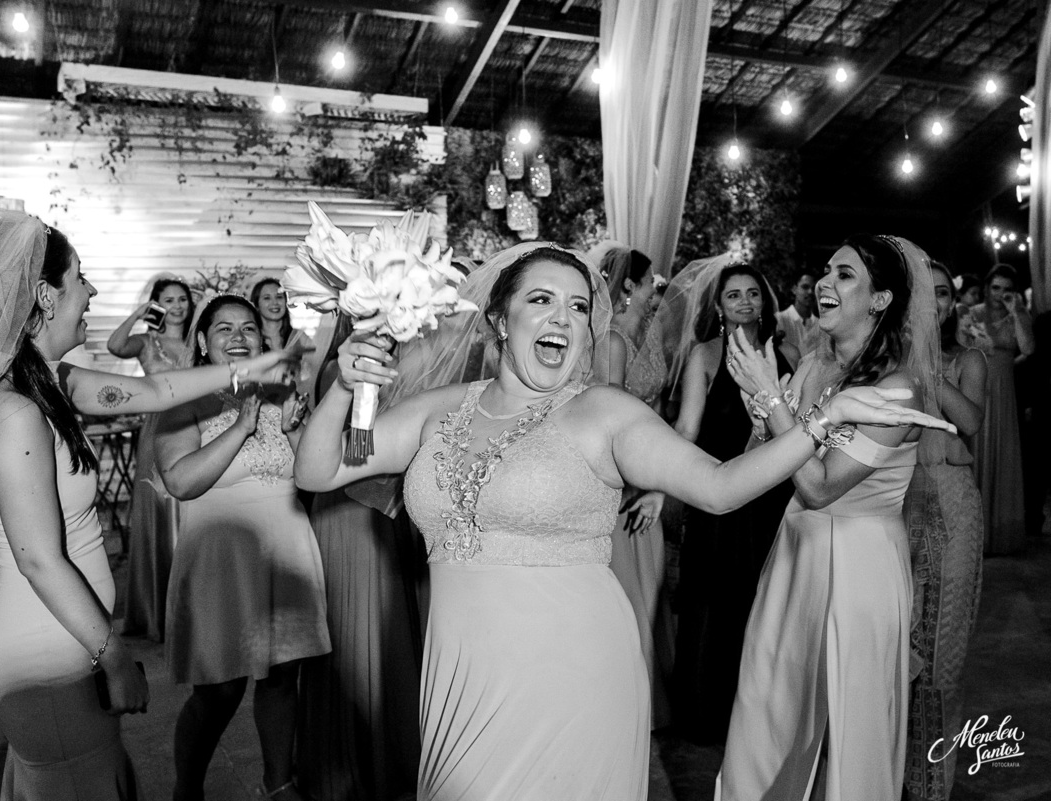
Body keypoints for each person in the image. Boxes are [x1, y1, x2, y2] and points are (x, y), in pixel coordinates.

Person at [293, 241, 951, 800]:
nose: (565, 317)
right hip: (463, 666)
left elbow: (721, 487)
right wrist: (348, 389)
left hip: (577, 664)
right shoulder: (439, 410)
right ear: (497, 316)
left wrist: (819, 423)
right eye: (542, 300)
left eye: (579, 306)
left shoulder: (604, 412)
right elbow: (320, 469)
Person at [0, 210, 303, 801]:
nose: (93, 290)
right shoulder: (14, 411)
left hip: (58, 642)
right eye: (81, 277)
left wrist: (257, 364)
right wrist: (113, 653)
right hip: (44, 653)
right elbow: (38, 559)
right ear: (46, 297)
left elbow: (155, 390)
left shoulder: (50, 379)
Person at [715, 234, 943, 801]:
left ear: (881, 300)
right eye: (825, 271)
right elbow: (758, 467)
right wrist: (761, 410)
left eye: (844, 276)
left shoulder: (897, 388)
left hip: (857, 565)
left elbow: (819, 487)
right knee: (775, 707)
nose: (824, 283)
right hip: (794, 553)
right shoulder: (813, 366)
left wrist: (774, 403)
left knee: (846, 720)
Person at [155, 294, 330, 801]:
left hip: (286, 547)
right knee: (219, 689)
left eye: (248, 328)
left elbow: (311, 476)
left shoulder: (281, 391)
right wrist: (240, 427)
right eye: (224, 329)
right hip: (221, 558)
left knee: (281, 676)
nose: (238, 337)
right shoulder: (179, 400)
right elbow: (181, 481)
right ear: (204, 344)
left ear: (262, 338)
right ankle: (187, 788)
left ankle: (278, 784)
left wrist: (297, 430)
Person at [295, 314, 427, 801]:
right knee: (360, 636)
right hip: (354, 510)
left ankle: (396, 754)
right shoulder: (342, 373)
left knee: (393, 634)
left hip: (392, 510)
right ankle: (357, 765)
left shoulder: (403, 365)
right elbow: (360, 451)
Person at [668, 262, 798, 744]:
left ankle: (765, 717)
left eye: (752, 294)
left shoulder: (786, 354)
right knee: (715, 602)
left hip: (775, 499)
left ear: (765, 301)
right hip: (720, 496)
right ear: (718, 308)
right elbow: (687, 431)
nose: (744, 302)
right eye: (733, 296)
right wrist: (662, 484)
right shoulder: (704, 355)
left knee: (768, 602)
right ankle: (710, 715)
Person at [904, 261, 986, 801]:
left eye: (942, 294)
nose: (935, 304)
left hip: (953, 509)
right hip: (896, 507)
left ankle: (932, 784)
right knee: (896, 649)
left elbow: (971, 423)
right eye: (923, 295)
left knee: (940, 654)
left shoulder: (968, 359)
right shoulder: (888, 363)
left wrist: (929, 370)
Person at [593, 242, 674, 729]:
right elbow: (611, 425)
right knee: (627, 598)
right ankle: (621, 704)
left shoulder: (644, 334)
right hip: (627, 487)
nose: (655, 290)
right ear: (629, 286)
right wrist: (643, 481)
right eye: (651, 283)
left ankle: (644, 698)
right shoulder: (611, 343)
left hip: (652, 475)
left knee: (649, 591)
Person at [107, 276, 195, 642]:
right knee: (158, 509)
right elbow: (114, 345)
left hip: (194, 425)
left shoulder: (197, 341)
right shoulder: (147, 342)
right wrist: (140, 313)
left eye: (182, 300)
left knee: (190, 507)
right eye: (168, 300)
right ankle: (155, 610)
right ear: (158, 305)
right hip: (158, 429)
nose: (177, 306)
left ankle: (191, 606)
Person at [962, 263, 1034, 554]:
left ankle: (998, 534)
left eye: (1007, 289)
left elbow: (1028, 348)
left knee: (1002, 455)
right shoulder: (972, 313)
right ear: (987, 286)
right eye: (995, 288)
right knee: (975, 453)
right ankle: (972, 534)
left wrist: (1016, 311)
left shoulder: (1016, 315)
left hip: (1004, 396)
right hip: (976, 388)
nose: (1000, 294)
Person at [776, 266, 822, 357]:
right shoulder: (778, 320)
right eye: (805, 287)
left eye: (814, 288)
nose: (810, 292)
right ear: (794, 289)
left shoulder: (821, 326)